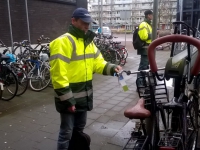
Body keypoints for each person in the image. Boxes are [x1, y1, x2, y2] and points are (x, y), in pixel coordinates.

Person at [49, 7, 122, 150]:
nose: (87, 25)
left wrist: (113, 68)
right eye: (83, 22)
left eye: (88, 22)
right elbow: (58, 76)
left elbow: (98, 64)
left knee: (78, 130)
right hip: (69, 97)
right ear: (73, 21)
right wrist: (68, 100)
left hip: (84, 95)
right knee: (66, 133)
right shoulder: (63, 42)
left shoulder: (89, 42)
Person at [136, 10, 153, 87]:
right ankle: (140, 84)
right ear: (148, 15)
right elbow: (144, 37)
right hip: (145, 49)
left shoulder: (149, 24)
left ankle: (143, 82)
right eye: (151, 15)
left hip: (148, 49)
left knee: (146, 66)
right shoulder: (143, 24)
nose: (152, 16)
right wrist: (153, 35)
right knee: (143, 66)